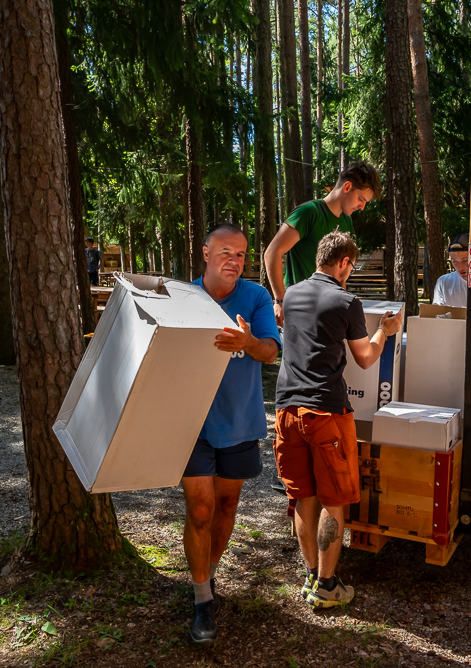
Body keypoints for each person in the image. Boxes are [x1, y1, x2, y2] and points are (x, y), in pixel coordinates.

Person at [274, 231, 403, 608]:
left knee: (303, 497)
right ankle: (327, 586)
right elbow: (365, 358)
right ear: (344, 262)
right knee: (333, 500)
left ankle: (311, 575)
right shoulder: (347, 301)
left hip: (286, 410)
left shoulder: (291, 294)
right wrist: (384, 331)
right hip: (326, 411)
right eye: (352, 266)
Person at [182, 224, 281, 643]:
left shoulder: (255, 297)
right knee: (200, 509)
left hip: (240, 421)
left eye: (240, 254)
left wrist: (248, 341)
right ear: (206, 253)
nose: (234, 261)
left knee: (225, 506)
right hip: (191, 423)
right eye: (225, 252)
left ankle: (209, 574)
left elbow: (271, 351)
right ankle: (202, 600)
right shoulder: (182, 297)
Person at [265, 162, 381, 327]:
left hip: (329, 312)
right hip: (301, 310)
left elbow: (342, 271)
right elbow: (272, 253)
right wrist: (279, 300)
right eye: (361, 199)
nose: (362, 207)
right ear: (347, 187)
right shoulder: (308, 213)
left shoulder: (347, 222)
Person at [432, 234, 471, 372]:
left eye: (464, 260)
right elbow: (436, 318)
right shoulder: (444, 282)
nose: (459, 267)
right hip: (452, 363)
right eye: (454, 261)